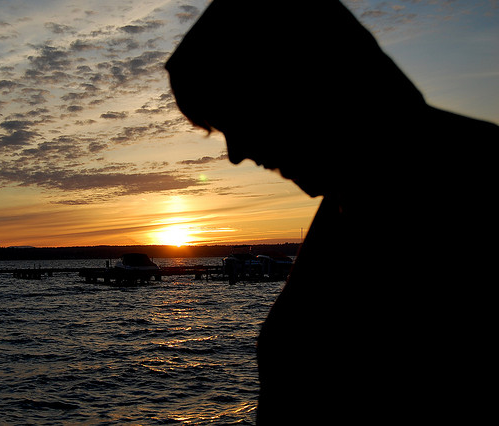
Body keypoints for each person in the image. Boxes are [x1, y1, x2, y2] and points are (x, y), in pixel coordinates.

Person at [165, 1, 498, 423]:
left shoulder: (467, 185)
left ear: (300, 82)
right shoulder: (347, 207)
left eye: (236, 117)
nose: (235, 154)